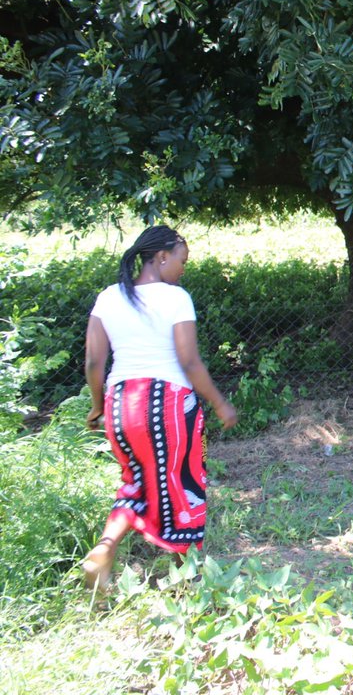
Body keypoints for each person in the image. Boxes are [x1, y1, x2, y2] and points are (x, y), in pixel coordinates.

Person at [82, 226, 238, 592]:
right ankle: (188, 580)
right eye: (181, 260)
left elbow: (93, 362)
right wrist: (219, 403)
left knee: (134, 483)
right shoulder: (175, 298)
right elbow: (189, 361)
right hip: (167, 406)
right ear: (161, 257)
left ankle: (104, 550)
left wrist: (96, 407)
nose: (183, 269)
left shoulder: (108, 298)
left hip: (121, 404)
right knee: (182, 484)